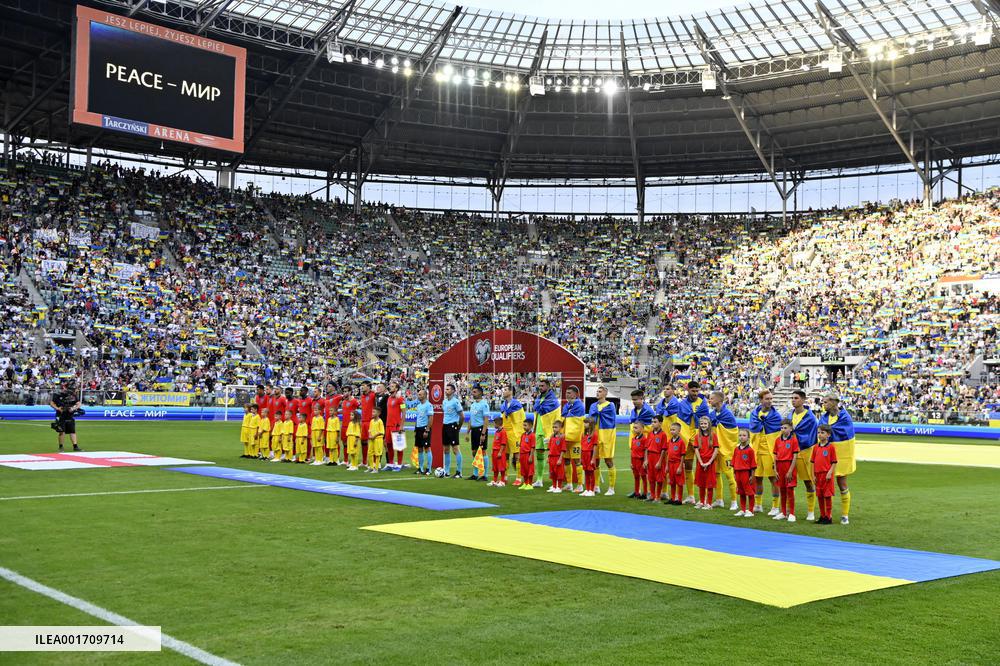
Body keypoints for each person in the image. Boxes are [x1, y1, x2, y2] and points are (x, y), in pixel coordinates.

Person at [818, 393, 856, 525]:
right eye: (823, 402)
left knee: (842, 484)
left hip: (841, 454)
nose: (824, 404)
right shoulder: (823, 418)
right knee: (824, 485)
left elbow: (846, 433)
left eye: (826, 402)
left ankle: (845, 515)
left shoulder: (845, 417)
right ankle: (826, 514)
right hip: (826, 455)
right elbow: (821, 433)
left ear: (834, 402)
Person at [749, 388, 782, 515]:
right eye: (767, 399)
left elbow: (778, 436)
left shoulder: (776, 416)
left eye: (771, 399)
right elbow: (753, 430)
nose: (770, 401)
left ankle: (775, 506)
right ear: (761, 400)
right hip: (756, 450)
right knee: (757, 478)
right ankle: (758, 504)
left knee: (773, 478)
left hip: (770, 451)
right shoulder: (754, 414)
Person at [676, 381, 708, 504]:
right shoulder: (682, 404)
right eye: (693, 391)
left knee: (703, 467)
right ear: (687, 389)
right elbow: (680, 420)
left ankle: (704, 497)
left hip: (700, 439)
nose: (695, 393)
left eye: (697, 391)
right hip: (687, 438)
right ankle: (691, 496)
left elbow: (706, 421)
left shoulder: (703, 404)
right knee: (687, 466)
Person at [788, 389, 819, 521]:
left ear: (803, 400)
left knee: (808, 482)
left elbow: (811, 436)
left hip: (805, 452)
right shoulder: (790, 415)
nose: (793, 400)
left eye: (796, 398)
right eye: (792, 398)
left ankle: (811, 511)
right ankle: (789, 511)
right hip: (791, 453)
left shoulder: (810, 417)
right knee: (789, 482)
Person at [707, 390, 740, 511]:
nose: (709, 400)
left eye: (711, 398)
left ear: (719, 400)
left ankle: (734, 501)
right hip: (715, 450)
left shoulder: (728, 414)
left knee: (729, 475)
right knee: (716, 474)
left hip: (726, 449)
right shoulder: (712, 414)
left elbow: (733, 433)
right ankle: (719, 499)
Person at [589, 386, 618, 496]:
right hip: (596, 435)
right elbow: (591, 420)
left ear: (605, 393)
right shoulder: (593, 406)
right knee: (595, 461)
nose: (597, 393)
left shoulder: (610, 406)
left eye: (600, 391)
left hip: (606, 435)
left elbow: (611, 419)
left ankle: (611, 488)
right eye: (597, 391)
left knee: (608, 461)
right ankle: (596, 486)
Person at [811, 425, 839, 524]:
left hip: (827, 476)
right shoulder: (815, 447)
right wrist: (813, 475)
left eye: (822, 432)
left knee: (827, 496)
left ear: (828, 435)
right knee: (820, 496)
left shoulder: (831, 447)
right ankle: (822, 516)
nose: (820, 434)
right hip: (818, 476)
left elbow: (834, 462)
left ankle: (828, 517)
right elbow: (813, 462)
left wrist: (830, 472)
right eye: (818, 432)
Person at [773, 419, 800, 522]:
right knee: (782, 490)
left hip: (789, 466)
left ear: (791, 428)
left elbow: (795, 456)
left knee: (790, 490)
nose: (783, 430)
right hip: (780, 467)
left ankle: (792, 513)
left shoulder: (793, 440)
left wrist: (790, 470)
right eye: (781, 428)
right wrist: (775, 469)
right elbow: (775, 455)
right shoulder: (777, 440)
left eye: (785, 428)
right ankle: (783, 512)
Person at [561, 385, 586, 493]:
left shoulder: (579, 406)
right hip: (566, 438)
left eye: (570, 393)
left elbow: (576, 425)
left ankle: (580, 485)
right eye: (566, 393)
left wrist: (566, 435)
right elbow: (563, 421)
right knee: (566, 460)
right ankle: (569, 483)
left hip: (575, 439)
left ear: (576, 394)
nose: (567, 395)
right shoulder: (566, 406)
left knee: (577, 461)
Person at [501, 387, 526, 486]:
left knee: (517, 456)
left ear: (511, 392)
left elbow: (520, 419)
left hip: (515, 433)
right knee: (505, 455)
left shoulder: (516, 404)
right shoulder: (504, 405)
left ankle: (519, 478)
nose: (504, 391)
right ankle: (505, 477)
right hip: (505, 432)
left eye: (506, 389)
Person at [693, 416, 719, 509]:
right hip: (700, 462)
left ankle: (709, 503)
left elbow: (716, 450)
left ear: (709, 424)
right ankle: (701, 501)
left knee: (709, 484)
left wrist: (709, 462)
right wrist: (700, 462)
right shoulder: (697, 437)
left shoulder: (713, 436)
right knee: (701, 483)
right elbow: (696, 450)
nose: (703, 425)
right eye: (701, 424)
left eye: (705, 423)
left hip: (710, 463)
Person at [407, 389, 435, 475]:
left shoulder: (429, 405)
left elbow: (431, 418)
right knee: (419, 449)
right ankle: (420, 468)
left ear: (425, 395)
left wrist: (427, 430)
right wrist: (415, 429)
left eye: (420, 395)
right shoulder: (418, 406)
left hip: (424, 429)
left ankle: (429, 469)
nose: (418, 396)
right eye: (418, 394)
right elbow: (417, 418)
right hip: (418, 429)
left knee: (427, 448)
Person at [49, 381, 82, 452]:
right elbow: (52, 403)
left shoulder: (73, 394)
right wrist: (57, 408)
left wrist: (73, 408)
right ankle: (61, 447)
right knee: (61, 431)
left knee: (72, 431)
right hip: (60, 414)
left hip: (70, 414)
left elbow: (79, 403)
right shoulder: (58, 394)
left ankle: (75, 446)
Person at [467, 385, 491, 481]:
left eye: (475, 392)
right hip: (474, 430)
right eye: (473, 392)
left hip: (481, 430)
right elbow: (470, 420)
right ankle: (475, 474)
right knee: (474, 452)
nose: (473, 393)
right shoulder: (472, 405)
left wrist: (483, 434)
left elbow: (486, 420)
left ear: (480, 393)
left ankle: (485, 475)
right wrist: (468, 432)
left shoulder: (484, 404)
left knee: (483, 451)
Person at [441, 383, 465, 478]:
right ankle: (446, 471)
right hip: (445, 426)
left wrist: (458, 427)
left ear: (453, 391)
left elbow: (462, 416)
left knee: (455, 449)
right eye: (446, 389)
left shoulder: (456, 402)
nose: (446, 391)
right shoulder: (444, 402)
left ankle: (459, 472)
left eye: (448, 389)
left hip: (453, 426)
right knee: (446, 449)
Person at [732, 428, 757, 517]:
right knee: (741, 492)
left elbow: (753, 465)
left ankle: (750, 510)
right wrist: (734, 473)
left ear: (748, 437)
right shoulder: (736, 449)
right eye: (740, 435)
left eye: (744, 435)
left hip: (746, 473)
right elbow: (733, 462)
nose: (742, 437)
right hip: (738, 473)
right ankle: (742, 509)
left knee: (749, 492)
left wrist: (752, 476)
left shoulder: (750, 450)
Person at [645, 415, 668, 502]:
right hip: (650, 457)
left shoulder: (663, 435)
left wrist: (659, 461)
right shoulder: (650, 434)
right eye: (652, 422)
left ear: (661, 423)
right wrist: (646, 459)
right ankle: (652, 495)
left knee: (659, 478)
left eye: (655, 422)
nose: (653, 424)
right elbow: (647, 448)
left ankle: (658, 497)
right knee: (651, 477)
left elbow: (663, 449)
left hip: (658, 457)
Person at [385, 381, 407, 470]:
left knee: (399, 445)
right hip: (388, 425)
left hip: (396, 425)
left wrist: (401, 425)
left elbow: (404, 412)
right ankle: (390, 464)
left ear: (396, 389)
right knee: (389, 444)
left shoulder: (400, 399)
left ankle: (399, 464)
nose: (390, 387)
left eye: (392, 386)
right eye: (390, 386)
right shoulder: (389, 398)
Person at [665, 422, 687, 505]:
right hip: (670, 464)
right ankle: (673, 498)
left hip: (677, 463)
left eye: (674, 430)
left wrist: (680, 467)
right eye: (671, 430)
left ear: (679, 431)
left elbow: (682, 456)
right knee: (672, 482)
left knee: (679, 482)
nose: (672, 431)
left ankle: (679, 500)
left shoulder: (681, 442)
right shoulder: (669, 441)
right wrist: (667, 466)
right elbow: (668, 454)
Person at [546, 420, 567, 493]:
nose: (554, 429)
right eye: (553, 427)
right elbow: (549, 448)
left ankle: (559, 487)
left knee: (559, 473)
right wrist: (548, 457)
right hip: (551, 457)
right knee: (552, 473)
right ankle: (554, 486)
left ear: (560, 428)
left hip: (558, 457)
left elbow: (563, 449)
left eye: (556, 427)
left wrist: (560, 459)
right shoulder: (552, 437)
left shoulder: (562, 437)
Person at [340, 386, 360, 464]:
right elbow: (344, 411)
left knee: (352, 443)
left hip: (352, 425)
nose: (345, 393)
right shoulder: (344, 402)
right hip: (344, 424)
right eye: (344, 391)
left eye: (346, 391)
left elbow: (360, 408)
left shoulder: (354, 401)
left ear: (350, 392)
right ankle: (345, 460)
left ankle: (354, 461)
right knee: (344, 442)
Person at [628, 422, 648, 499]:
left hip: (640, 460)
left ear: (642, 429)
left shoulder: (644, 439)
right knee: (636, 477)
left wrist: (645, 461)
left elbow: (646, 450)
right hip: (634, 461)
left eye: (636, 428)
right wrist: (631, 462)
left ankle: (645, 493)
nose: (634, 429)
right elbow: (632, 451)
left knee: (643, 476)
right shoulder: (633, 439)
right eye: (634, 427)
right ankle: (636, 492)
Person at [580, 417, 599, 497]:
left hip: (590, 454)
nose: (584, 424)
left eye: (586, 423)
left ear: (590, 424)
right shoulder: (584, 434)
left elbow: (595, 447)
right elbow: (582, 446)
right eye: (584, 422)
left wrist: (593, 458)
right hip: (584, 455)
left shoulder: (594, 434)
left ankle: (592, 490)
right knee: (586, 472)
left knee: (591, 473)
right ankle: (587, 489)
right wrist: (581, 457)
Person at [359, 381, 376, 468]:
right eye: (361, 386)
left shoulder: (373, 395)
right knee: (363, 441)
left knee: (372, 442)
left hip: (371, 421)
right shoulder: (362, 396)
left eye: (363, 385)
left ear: (369, 386)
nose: (362, 387)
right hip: (363, 421)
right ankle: (364, 461)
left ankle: (373, 462)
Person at [518, 414, 536, 491]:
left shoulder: (532, 435)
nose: (524, 427)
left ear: (531, 426)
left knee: (529, 470)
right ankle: (525, 483)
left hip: (528, 454)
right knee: (524, 470)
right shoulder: (523, 435)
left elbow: (533, 447)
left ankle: (530, 484)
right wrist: (519, 455)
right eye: (523, 425)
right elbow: (520, 446)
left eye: (525, 425)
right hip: (522, 455)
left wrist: (531, 456)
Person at [489, 416, 508, 487]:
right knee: (495, 467)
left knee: (501, 467)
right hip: (494, 451)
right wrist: (492, 451)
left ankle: (502, 481)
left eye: (494, 423)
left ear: (498, 424)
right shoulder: (497, 432)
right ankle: (495, 480)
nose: (493, 425)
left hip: (500, 452)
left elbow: (503, 443)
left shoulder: (503, 432)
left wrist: (500, 452)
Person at [367, 407, 386, 474]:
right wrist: (369, 435)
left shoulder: (380, 421)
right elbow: (369, 429)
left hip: (378, 439)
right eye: (372, 412)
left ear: (378, 413)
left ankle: (376, 468)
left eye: (374, 412)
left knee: (377, 454)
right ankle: (371, 467)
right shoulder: (371, 421)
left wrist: (374, 436)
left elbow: (381, 432)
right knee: (370, 453)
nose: (372, 413)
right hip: (371, 439)